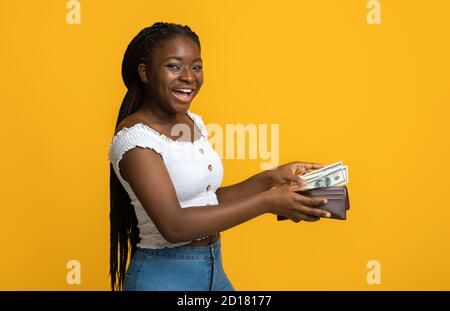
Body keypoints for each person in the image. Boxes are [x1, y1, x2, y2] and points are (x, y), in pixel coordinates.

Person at [107, 22, 331, 291]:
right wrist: (267, 202)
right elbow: (174, 226)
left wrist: (270, 178)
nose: (189, 77)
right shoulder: (136, 139)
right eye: (174, 66)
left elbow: (207, 201)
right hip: (164, 277)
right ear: (145, 72)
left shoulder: (191, 122)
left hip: (213, 269)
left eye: (196, 66)